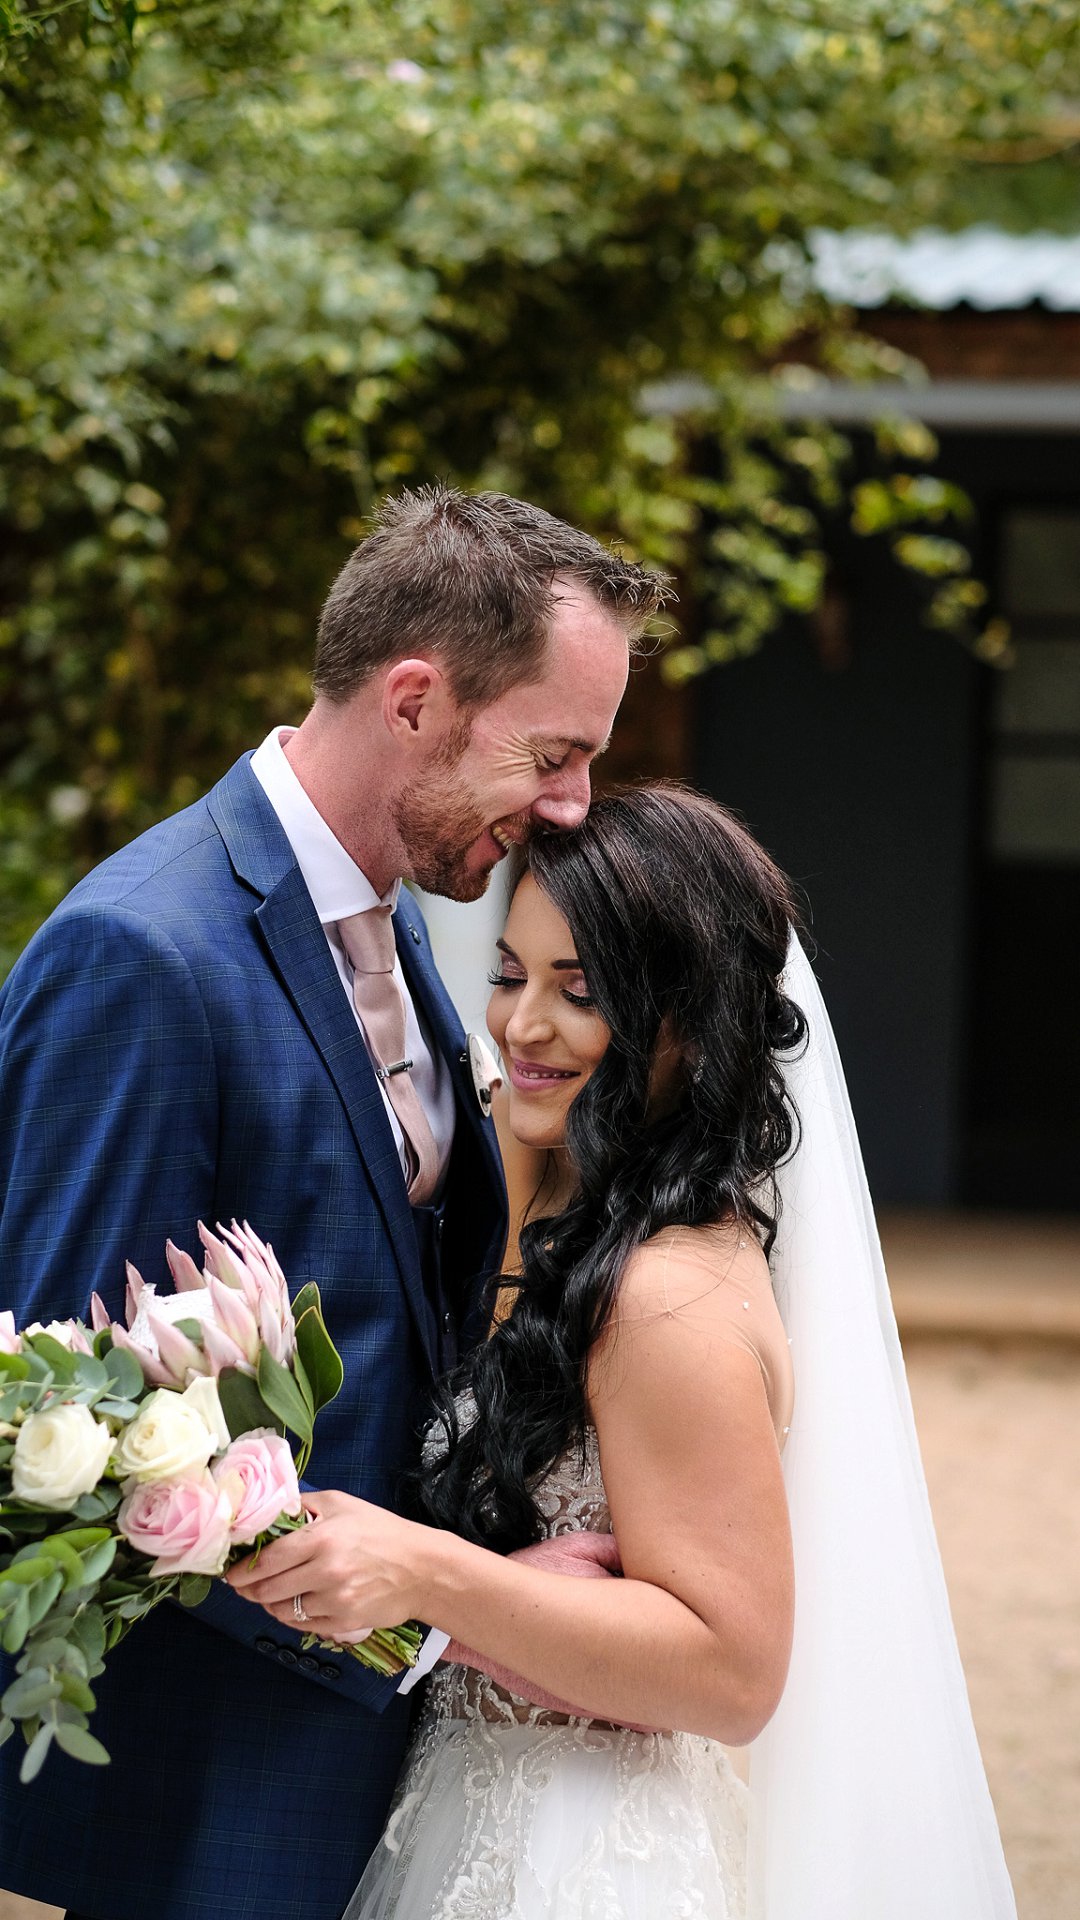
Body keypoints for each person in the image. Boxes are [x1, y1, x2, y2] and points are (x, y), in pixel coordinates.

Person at [0, 486, 667, 1920]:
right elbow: (78, 1434)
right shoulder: (141, 955)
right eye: (554, 754)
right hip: (216, 1798)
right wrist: (448, 1627)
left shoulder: (402, 919)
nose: (572, 805)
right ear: (415, 700)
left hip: (389, 1781)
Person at [232, 784, 1018, 1920]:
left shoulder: (664, 1298)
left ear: (686, 1023)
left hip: (582, 1854)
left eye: (581, 992)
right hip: (467, 1813)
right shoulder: (573, 1209)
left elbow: (733, 1672)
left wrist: (429, 1575)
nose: (521, 1027)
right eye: (509, 974)